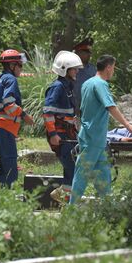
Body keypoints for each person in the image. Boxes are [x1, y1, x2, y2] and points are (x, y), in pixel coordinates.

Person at [70, 55, 132, 203]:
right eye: (113, 67)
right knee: (82, 174)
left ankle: (108, 209)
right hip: (93, 137)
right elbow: (110, 106)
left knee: (103, 176)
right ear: (108, 67)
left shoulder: (87, 83)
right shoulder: (101, 84)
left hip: (95, 138)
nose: (113, 71)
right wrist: (127, 125)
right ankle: (71, 210)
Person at [0, 49, 34, 187]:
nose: (21, 68)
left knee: (3, 166)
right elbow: (9, 104)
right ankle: (6, 197)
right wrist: (25, 116)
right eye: (20, 65)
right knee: (11, 171)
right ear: (12, 65)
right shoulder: (11, 79)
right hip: (4, 129)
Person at [43, 51, 84, 203]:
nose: (77, 71)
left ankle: (64, 198)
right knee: (72, 168)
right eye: (74, 68)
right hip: (60, 136)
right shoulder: (57, 87)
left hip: (68, 135)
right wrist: (53, 134)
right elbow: (47, 112)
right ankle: (66, 200)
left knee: (72, 168)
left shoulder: (67, 87)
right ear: (64, 69)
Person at [72, 37, 97, 116]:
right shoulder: (70, 69)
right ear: (78, 53)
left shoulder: (93, 70)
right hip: (72, 111)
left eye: (89, 52)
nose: (89, 54)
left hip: (90, 110)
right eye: (86, 52)